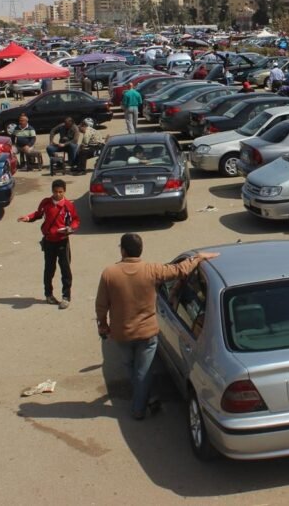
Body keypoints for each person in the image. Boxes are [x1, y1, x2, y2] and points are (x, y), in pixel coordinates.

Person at [95, 233, 219, 420]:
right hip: (147, 334)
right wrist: (198, 257)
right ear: (140, 250)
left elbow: (101, 306)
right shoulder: (152, 270)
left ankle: (143, 400)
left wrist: (103, 326)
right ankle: (139, 407)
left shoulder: (109, 274)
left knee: (130, 366)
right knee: (143, 371)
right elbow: (180, 270)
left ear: (122, 250)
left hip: (122, 334)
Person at [18, 179, 80, 309]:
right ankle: (48, 295)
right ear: (52, 191)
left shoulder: (68, 205)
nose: (58, 194)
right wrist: (28, 218)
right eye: (55, 191)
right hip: (49, 242)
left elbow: (75, 220)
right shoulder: (46, 203)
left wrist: (70, 228)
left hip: (62, 241)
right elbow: (38, 214)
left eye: (60, 192)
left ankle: (66, 297)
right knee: (49, 269)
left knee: (65, 269)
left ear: (64, 192)